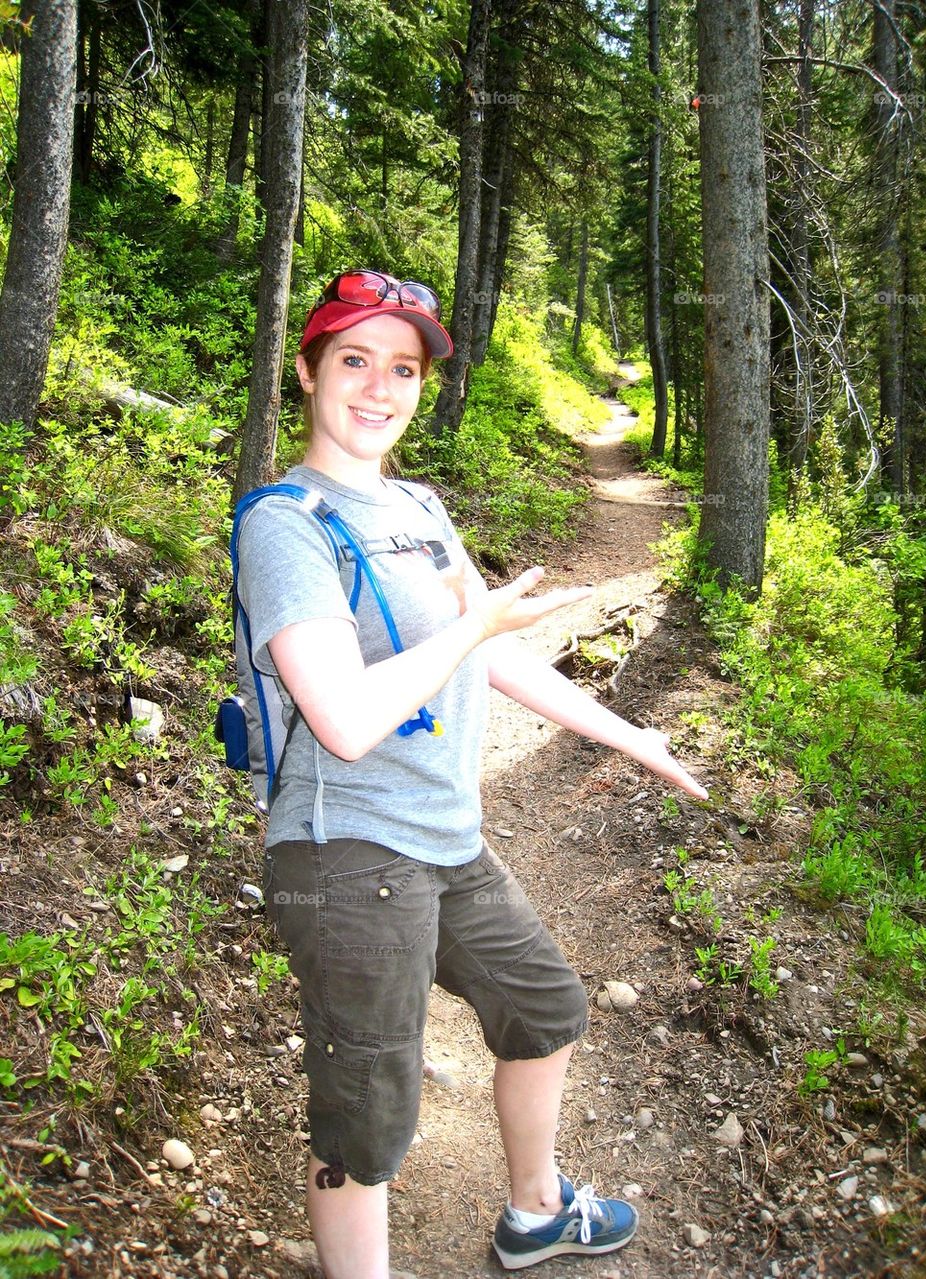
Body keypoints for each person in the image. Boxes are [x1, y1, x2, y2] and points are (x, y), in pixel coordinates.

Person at [236, 268, 709, 1278]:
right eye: (354, 360)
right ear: (309, 372)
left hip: (444, 836)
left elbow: (492, 648)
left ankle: (536, 1212)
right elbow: (346, 718)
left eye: (403, 368)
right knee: (367, 1122)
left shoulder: (417, 505)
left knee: (544, 1009)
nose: (380, 387)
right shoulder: (285, 523)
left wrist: (631, 735)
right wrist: (473, 625)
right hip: (346, 851)